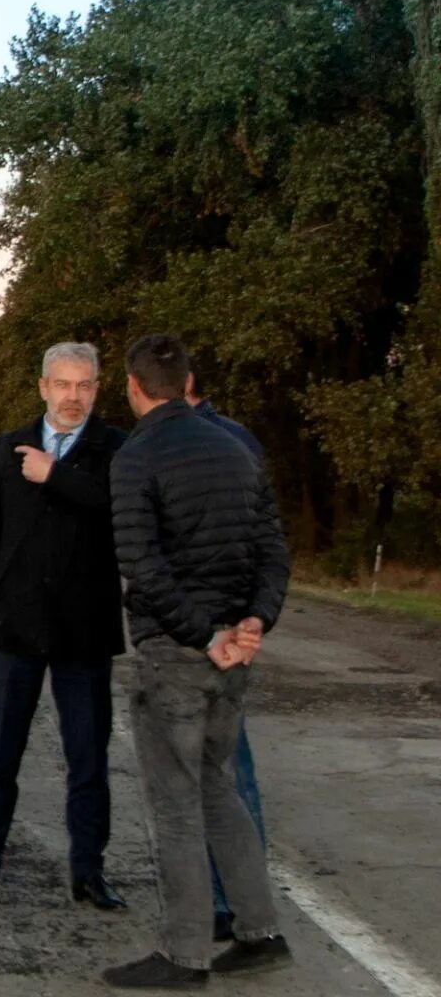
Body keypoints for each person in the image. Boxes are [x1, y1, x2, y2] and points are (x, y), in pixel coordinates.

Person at [104, 334, 292, 989]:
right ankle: (259, 930)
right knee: (218, 785)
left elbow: (142, 566)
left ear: (133, 387)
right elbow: (274, 550)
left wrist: (200, 635)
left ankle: (185, 954)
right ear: (187, 383)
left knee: (177, 801)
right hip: (233, 654)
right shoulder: (237, 446)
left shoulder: (136, 457)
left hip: (178, 653)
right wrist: (254, 621)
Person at [0, 342, 129, 911]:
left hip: (85, 632)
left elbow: (120, 512)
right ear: (43, 387)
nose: (73, 397)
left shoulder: (116, 450)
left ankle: (89, 874)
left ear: (97, 389)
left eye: (84, 386)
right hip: (16, 633)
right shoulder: (6, 451)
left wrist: (55, 474)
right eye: (63, 385)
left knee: (88, 761)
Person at [186, 371, 268, 944]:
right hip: (228, 623)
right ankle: (237, 902)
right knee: (225, 767)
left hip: (208, 629)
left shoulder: (202, 442)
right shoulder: (239, 438)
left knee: (217, 768)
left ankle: (232, 905)